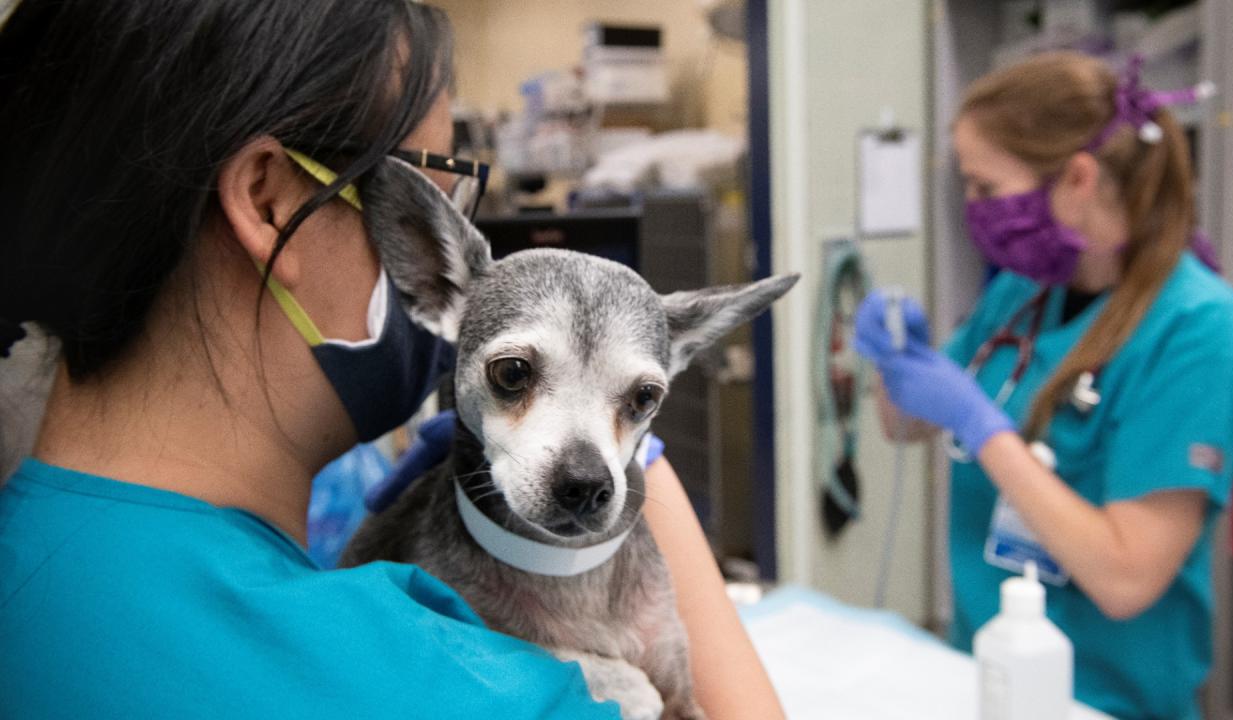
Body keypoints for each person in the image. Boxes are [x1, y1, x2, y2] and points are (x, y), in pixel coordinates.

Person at [0, 2, 783, 718]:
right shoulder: (450, 678)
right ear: (274, 203)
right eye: (433, 189)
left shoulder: (30, 560)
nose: (441, 246)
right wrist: (646, 472)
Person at [856, 52, 1233, 720]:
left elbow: (1125, 577)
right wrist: (897, 362)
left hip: (1107, 703)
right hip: (983, 680)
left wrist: (984, 429)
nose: (973, 209)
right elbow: (907, 425)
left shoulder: (1202, 333)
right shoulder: (1025, 293)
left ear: (1078, 178)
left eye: (987, 188)